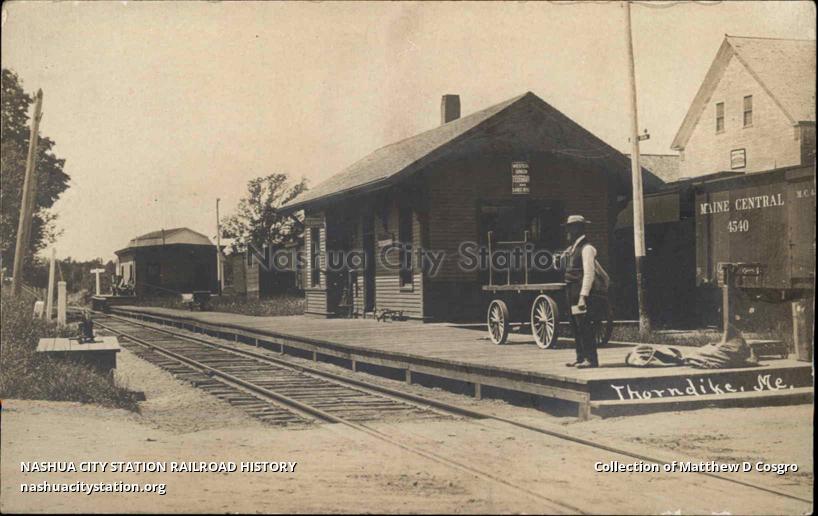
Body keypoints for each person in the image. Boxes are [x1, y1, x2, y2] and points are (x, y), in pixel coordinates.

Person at [562, 215, 609, 369]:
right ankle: (580, 357)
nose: (568, 231)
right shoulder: (573, 248)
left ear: (578, 229)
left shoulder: (587, 248)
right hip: (571, 290)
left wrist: (583, 296)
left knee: (584, 324)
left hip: (580, 291)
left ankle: (591, 359)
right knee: (575, 325)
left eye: (571, 228)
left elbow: (589, 274)